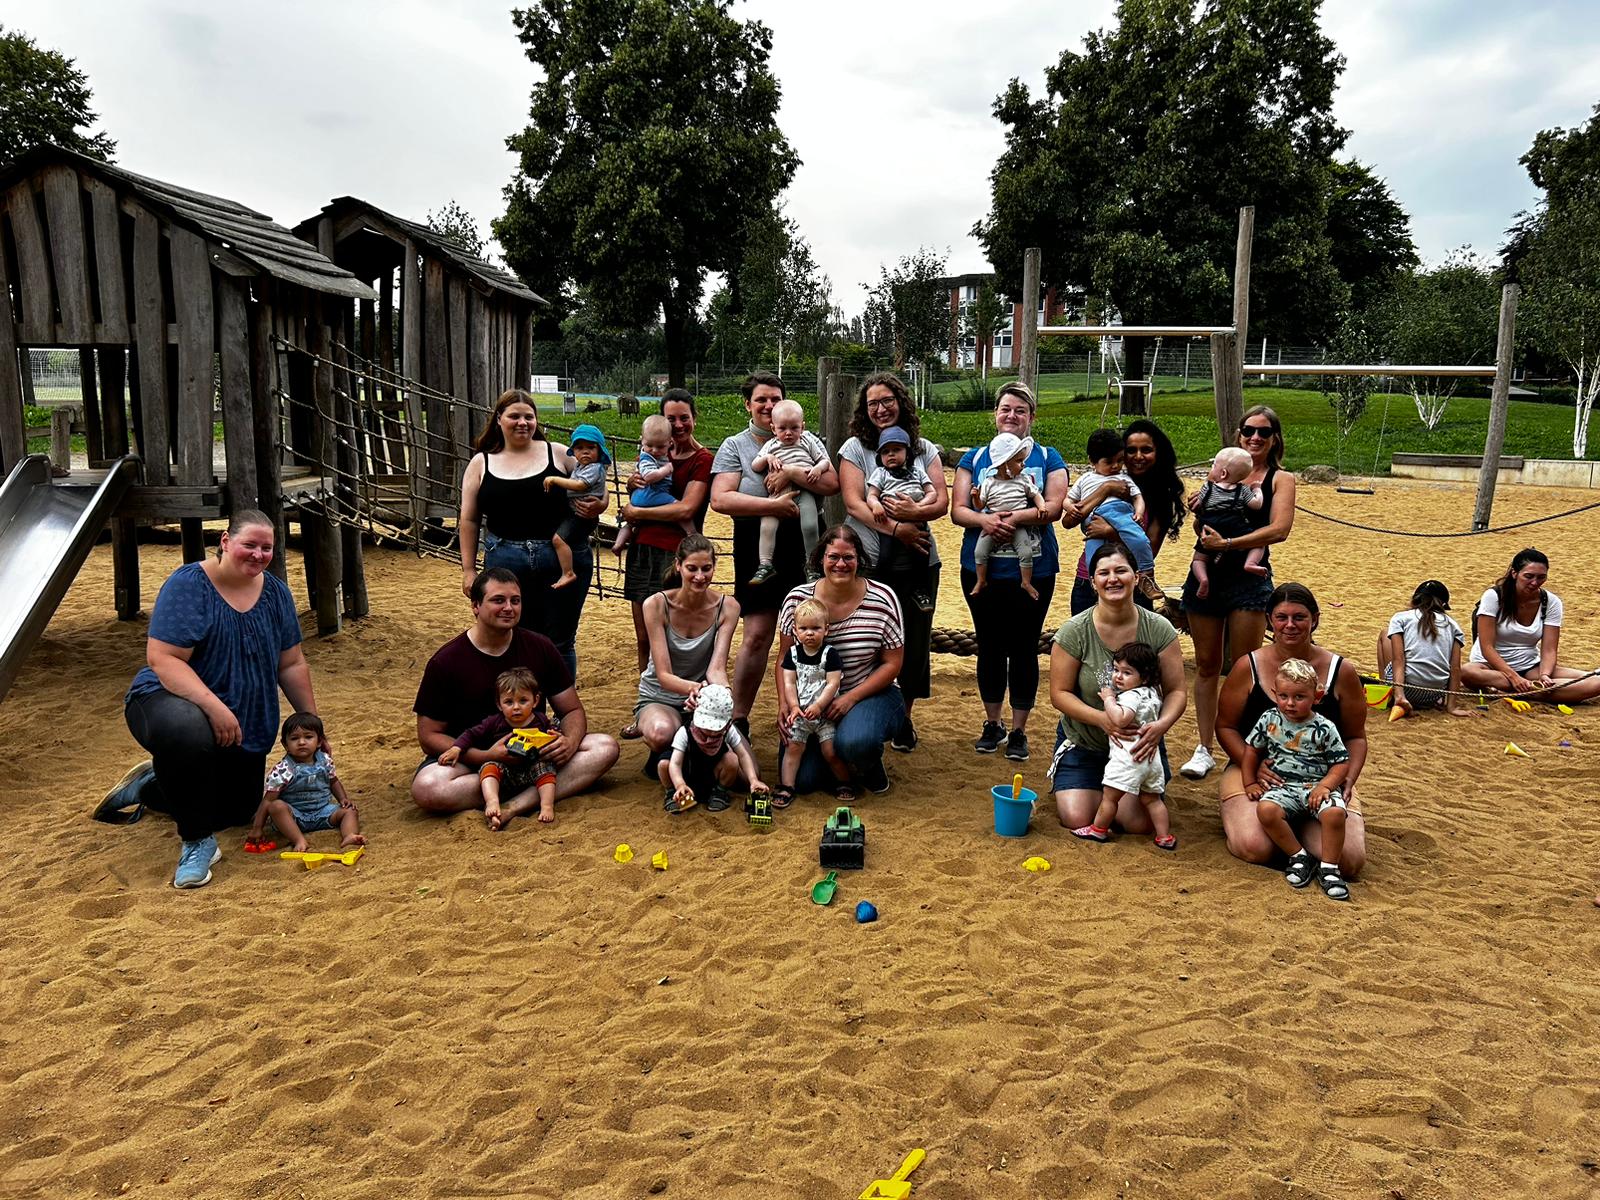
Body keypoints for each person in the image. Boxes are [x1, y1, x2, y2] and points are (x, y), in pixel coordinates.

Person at [112, 509, 319, 889]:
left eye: (267, 548)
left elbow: (290, 663)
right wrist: (214, 708)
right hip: (169, 699)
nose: (258, 555)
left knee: (236, 812)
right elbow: (163, 659)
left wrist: (313, 723)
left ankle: (151, 785)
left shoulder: (275, 593)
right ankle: (196, 844)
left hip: (244, 721)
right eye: (249, 545)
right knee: (187, 732)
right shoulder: (190, 584)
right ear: (225, 541)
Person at [411, 568, 619, 815]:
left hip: (534, 752)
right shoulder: (446, 662)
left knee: (605, 747)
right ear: (475, 606)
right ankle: (534, 788)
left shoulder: (540, 646)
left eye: (515, 601)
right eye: (498, 600)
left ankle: (516, 803)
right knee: (428, 787)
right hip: (473, 757)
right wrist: (484, 755)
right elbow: (429, 736)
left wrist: (570, 743)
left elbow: (571, 709)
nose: (509, 608)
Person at [711, 373, 840, 731]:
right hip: (758, 543)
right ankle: (737, 718)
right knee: (756, 635)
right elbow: (720, 498)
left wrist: (793, 474)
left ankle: (798, 717)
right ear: (747, 404)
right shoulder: (736, 445)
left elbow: (830, 483)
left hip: (802, 544)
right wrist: (772, 505)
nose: (768, 406)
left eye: (774, 399)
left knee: (805, 634)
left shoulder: (806, 437)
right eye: (761, 400)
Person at [1214, 583, 1369, 879]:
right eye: (1281, 617)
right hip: (1259, 768)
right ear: (1269, 620)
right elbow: (1225, 726)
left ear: (1315, 619)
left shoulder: (1341, 670)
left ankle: (1301, 828)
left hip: (1320, 776)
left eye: (1299, 617)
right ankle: (1288, 835)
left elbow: (1355, 736)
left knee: (1348, 861)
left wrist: (1347, 779)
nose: (1289, 625)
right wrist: (1253, 766)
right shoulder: (1249, 666)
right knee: (1254, 847)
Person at [1178, 405, 1296, 781]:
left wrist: (1229, 543)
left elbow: (1279, 529)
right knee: (1207, 664)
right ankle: (1204, 747)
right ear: (1239, 435)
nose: (1255, 438)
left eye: (1264, 432)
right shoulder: (1220, 475)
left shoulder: (1280, 479)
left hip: (1247, 577)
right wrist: (1199, 509)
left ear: (1275, 438)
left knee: (1247, 667)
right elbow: (1203, 524)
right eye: (1249, 431)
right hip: (1208, 573)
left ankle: (1248, 745)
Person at [953, 381, 1068, 761]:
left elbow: (1053, 506)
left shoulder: (1049, 457)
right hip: (981, 567)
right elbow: (959, 510)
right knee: (988, 645)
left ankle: (1019, 729)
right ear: (995, 413)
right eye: (1005, 409)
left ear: (1032, 417)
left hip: (1034, 570)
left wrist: (1012, 518)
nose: (1011, 416)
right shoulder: (975, 457)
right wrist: (986, 522)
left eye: (1020, 410)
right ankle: (992, 722)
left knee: (1023, 648)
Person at [835, 371, 948, 753]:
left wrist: (916, 509)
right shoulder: (855, 449)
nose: (881, 409)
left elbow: (941, 502)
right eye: (873, 404)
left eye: (887, 401)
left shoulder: (923, 448)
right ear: (864, 411)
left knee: (913, 639)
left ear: (901, 402)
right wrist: (896, 527)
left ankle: (904, 717)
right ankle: (866, 713)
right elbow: (853, 502)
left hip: (917, 557)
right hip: (869, 557)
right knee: (868, 637)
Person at [457, 390, 606, 677]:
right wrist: (467, 569)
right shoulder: (481, 463)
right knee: (513, 637)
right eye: (514, 416)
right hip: (505, 559)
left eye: (529, 416)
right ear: (499, 419)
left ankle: (562, 715)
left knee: (560, 640)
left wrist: (601, 503)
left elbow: (596, 481)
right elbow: (469, 519)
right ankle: (523, 711)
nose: (522, 422)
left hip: (563, 557)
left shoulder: (561, 454)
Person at [1049, 544, 1187, 837]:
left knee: (1138, 825)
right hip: (1085, 741)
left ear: (1136, 577)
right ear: (1093, 581)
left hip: (1137, 745)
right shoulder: (1075, 630)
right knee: (1076, 816)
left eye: (1121, 571)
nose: (1113, 579)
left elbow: (1176, 691)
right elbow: (1059, 694)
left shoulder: (1158, 628)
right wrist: (1102, 719)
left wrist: (1161, 726)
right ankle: (1089, 785)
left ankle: (1114, 793)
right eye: (1104, 573)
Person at [775, 526, 906, 795]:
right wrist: (784, 704)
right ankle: (837, 761)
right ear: (821, 558)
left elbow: (893, 663)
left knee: (856, 742)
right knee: (804, 781)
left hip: (868, 692)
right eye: (833, 557)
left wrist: (851, 698)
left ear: (860, 559)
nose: (841, 564)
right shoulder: (797, 600)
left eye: (849, 557)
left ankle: (868, 766)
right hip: (810, 702)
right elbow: (783, 658)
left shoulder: (883, 599)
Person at [617, 389, 715, 723]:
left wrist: (635, 510)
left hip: (676, 556)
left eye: (683, 417)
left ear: (694, 418)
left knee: (672, 637)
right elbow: (642, 489)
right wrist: (633, 488)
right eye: (670, 418)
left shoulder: (702, 459)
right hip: (643, 549)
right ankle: (645, 703)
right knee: (644, 634)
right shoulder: (652, 450)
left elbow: (687, 507)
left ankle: (679, 702)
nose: (677, 425)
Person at [1240, 658, 1352, 900]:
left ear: (1317, 696)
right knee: (1267, 810)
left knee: (1334, 814)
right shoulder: (1269, 719)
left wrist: (1326, 786)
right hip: (1283, 786)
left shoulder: (1325, 727)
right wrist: (1249, 781)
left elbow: (1341, 762)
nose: (1289, 703)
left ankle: (1330, 868)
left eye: (1299, 697)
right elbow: (1251, 750)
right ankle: (1299, 855)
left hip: (1317, 785)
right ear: (1274, 694)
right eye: (1283, 696)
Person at [633, 533, 741, 771]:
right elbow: (663, 675)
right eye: (692, 568)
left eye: (707, 568)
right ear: (678, 565)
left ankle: (682, 756)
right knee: (661, 732)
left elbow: (716, 667)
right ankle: (667, 748)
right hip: (661, 695)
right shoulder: (656, 604)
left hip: (701, 699)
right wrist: (698, 690)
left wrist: (722, 693)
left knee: (741, 761)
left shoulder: (728, 607)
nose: (700, 577)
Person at [1063, 419, 1186, 616]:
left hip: (1133, 584)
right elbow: (1068, 522)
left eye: (1146, 450)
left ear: (1158, 453)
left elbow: (1150, 548)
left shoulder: (1161, 496)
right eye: (1131, 450)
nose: (1138, 456)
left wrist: (1110, 532)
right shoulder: (1098, 482)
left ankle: (1149, 579)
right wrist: (1105, 490)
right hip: (1088, 580)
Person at [1070, 641, 1175, 850]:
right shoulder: (1153, 693)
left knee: (1110, 798)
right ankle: (1164, 836)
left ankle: (1098, 829)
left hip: (1128, 757)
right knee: (1153, 800)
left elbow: (1120, 719)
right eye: (1116, 670)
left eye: (1127, 672)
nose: (1118, 676)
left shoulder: (1131, 696)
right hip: (1150, 759)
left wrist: (1109, 700)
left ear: (1144, 677)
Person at [1460, 548, 1600, 704]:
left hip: (1530, 666)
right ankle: (1534, 691)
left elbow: (1549, 649)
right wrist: (1514, 677)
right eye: (1528, 576)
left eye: (1541, 577)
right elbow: (1487, 647)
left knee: (1595, 681)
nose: (1535, 583)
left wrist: (1545, 675)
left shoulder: (1551, 602)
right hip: (1491, 667)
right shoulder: (1494, 596)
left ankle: (1520, 691)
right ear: (1515, 574)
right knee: (1467, 671)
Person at [437, 667, 560, 828]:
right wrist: (456, 748)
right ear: (499, 704)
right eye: (509, 702)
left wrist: (556, 736)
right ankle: (492, 801)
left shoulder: (541, 720)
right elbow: (471, 734)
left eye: (523, 701)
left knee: (546, 770)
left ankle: (546, 806)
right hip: (505, 770)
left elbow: (553, 733)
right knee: (488, 767)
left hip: (532, 768)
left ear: (535, 700)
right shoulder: (494, 722)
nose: (516, 707)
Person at [247, 712, 363, 854]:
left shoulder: (325, 761)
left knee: (350, 810)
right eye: (294, 738)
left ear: (319, 741)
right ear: (285, 745)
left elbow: (333, 781)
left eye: (308, 737)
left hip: (323, 812)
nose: (301, 742)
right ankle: (299, 840)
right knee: (276, 806)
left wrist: (343, 798)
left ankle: (349, 835)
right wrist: (257, 828)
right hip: (294, 817)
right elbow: (268, 800)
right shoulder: (284, 769)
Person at [777, 597, 850, 806]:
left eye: (816, 628)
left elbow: (832, 683)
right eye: (804, 628)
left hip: (824, 714)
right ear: (796, 630)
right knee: (793, 748)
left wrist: (819, 706)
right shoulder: (792, 654)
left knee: (830, 751)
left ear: (826, 630)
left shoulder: (830, 654)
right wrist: (793, 706)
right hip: (799, 713)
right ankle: (787, 786)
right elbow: (789, 682)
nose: (810, 633)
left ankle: (844, 782)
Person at [1064, 427, 1156, 592]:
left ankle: (1146, 574)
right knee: (1093, 554)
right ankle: (1095, 583)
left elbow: (1137, 498)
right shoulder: (1086, 479)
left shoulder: (1124, 480)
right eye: (1109, 462)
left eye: (1120, 460)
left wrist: (1136, 514)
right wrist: (1072, 507)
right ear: (1092, 461)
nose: (1116, 466)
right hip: (1092, 519)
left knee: (1139, 539)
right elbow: (1068, 516)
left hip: (1117, 514)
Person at [748, 397, 829, 583]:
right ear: (773, 428)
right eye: (782, 428)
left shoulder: (808, 440)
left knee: (810, 525)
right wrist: (767, 458)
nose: (789, 433)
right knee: (767, 527)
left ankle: (812, 564)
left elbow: (825, 461)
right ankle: (765, 564)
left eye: (794, 428)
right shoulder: (771, 445)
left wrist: (817, 468)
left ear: (803, 426)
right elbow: (755, 465)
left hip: (803, 491)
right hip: (777, 493)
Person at [660, 683, 768, 814]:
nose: (711, 734)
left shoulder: (729, 730)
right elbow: (676, 763)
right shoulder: (685, 732)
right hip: (686, 774)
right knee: (664, 764)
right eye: (706, 729)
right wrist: (679, 784)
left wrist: (753, 780)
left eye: (716, 730)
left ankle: (720, 792)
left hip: (712, 775)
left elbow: (743, 755)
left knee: (732, 759)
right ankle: (672, 793)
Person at [1377, 579, 1476, 717]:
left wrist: (1399, 695)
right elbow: (1455, 668)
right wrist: (1452, 707)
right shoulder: (1453, 625)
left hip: (1407, 689)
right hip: (1433, 695)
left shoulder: (1401, 618)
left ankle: (1386, 691)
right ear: (1443, 604)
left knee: (1384, 633)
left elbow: (1398, 659)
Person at [864, 426, 936, 610]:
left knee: (921, 554)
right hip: (890, 523)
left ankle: (920, 591)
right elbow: (871, 495)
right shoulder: (881, 473)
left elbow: (932, 493)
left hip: (917, 521)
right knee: (886, 555)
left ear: (907, 452)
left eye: (897, 450)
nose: (891, 455)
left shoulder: (917, 472)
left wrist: (918, 507)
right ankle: (880, 589)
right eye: (886, 452)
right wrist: (876, 505)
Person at [970, 433, 1047, 600]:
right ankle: (981, 580)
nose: (1024, 464)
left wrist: (1041, 506)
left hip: (1018, 525)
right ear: (1005, 464)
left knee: (1026, 552)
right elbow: (980, 506)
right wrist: (975, 496)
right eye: (1019, 461)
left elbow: (1036, 494)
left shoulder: (1023, 479)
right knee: (979, 552)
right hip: (993, 523)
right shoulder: (989, 483)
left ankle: (1025, 582)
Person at [1186, 446, 1265, 599]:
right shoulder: (1242, 490)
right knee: (1258, 543)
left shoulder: (1207, 488)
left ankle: (1203, 579)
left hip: (1210, 526)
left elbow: (1198, 505)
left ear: (1222, 473)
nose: (1211, 468)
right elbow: (1257, 505)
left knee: (1199, 558)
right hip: (1234, 526)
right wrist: (1257, 490)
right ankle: (1251, 563)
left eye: (1213, 465)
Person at [612, 414, 694, 555]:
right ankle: (692, 533)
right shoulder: (646, 458)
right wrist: (666, 469)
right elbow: (649, 477)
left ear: (670, 443)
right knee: (679, 508)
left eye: (660, 447)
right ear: (642, 441)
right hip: (651, 493)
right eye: (649, 445)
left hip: (640, 497)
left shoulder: (655, 454)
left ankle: (618, 544)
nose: (654, 451)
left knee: (631, 524)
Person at [543, 423, 610, 589]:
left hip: (580, 515)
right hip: (576, 512)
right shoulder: (582, 465)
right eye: (579, 448)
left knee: (558, 540)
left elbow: (580, 485)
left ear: (599, 450)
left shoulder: (594, 468)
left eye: (590, 447)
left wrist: (554, 479)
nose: (585, 451)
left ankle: (568, 572)